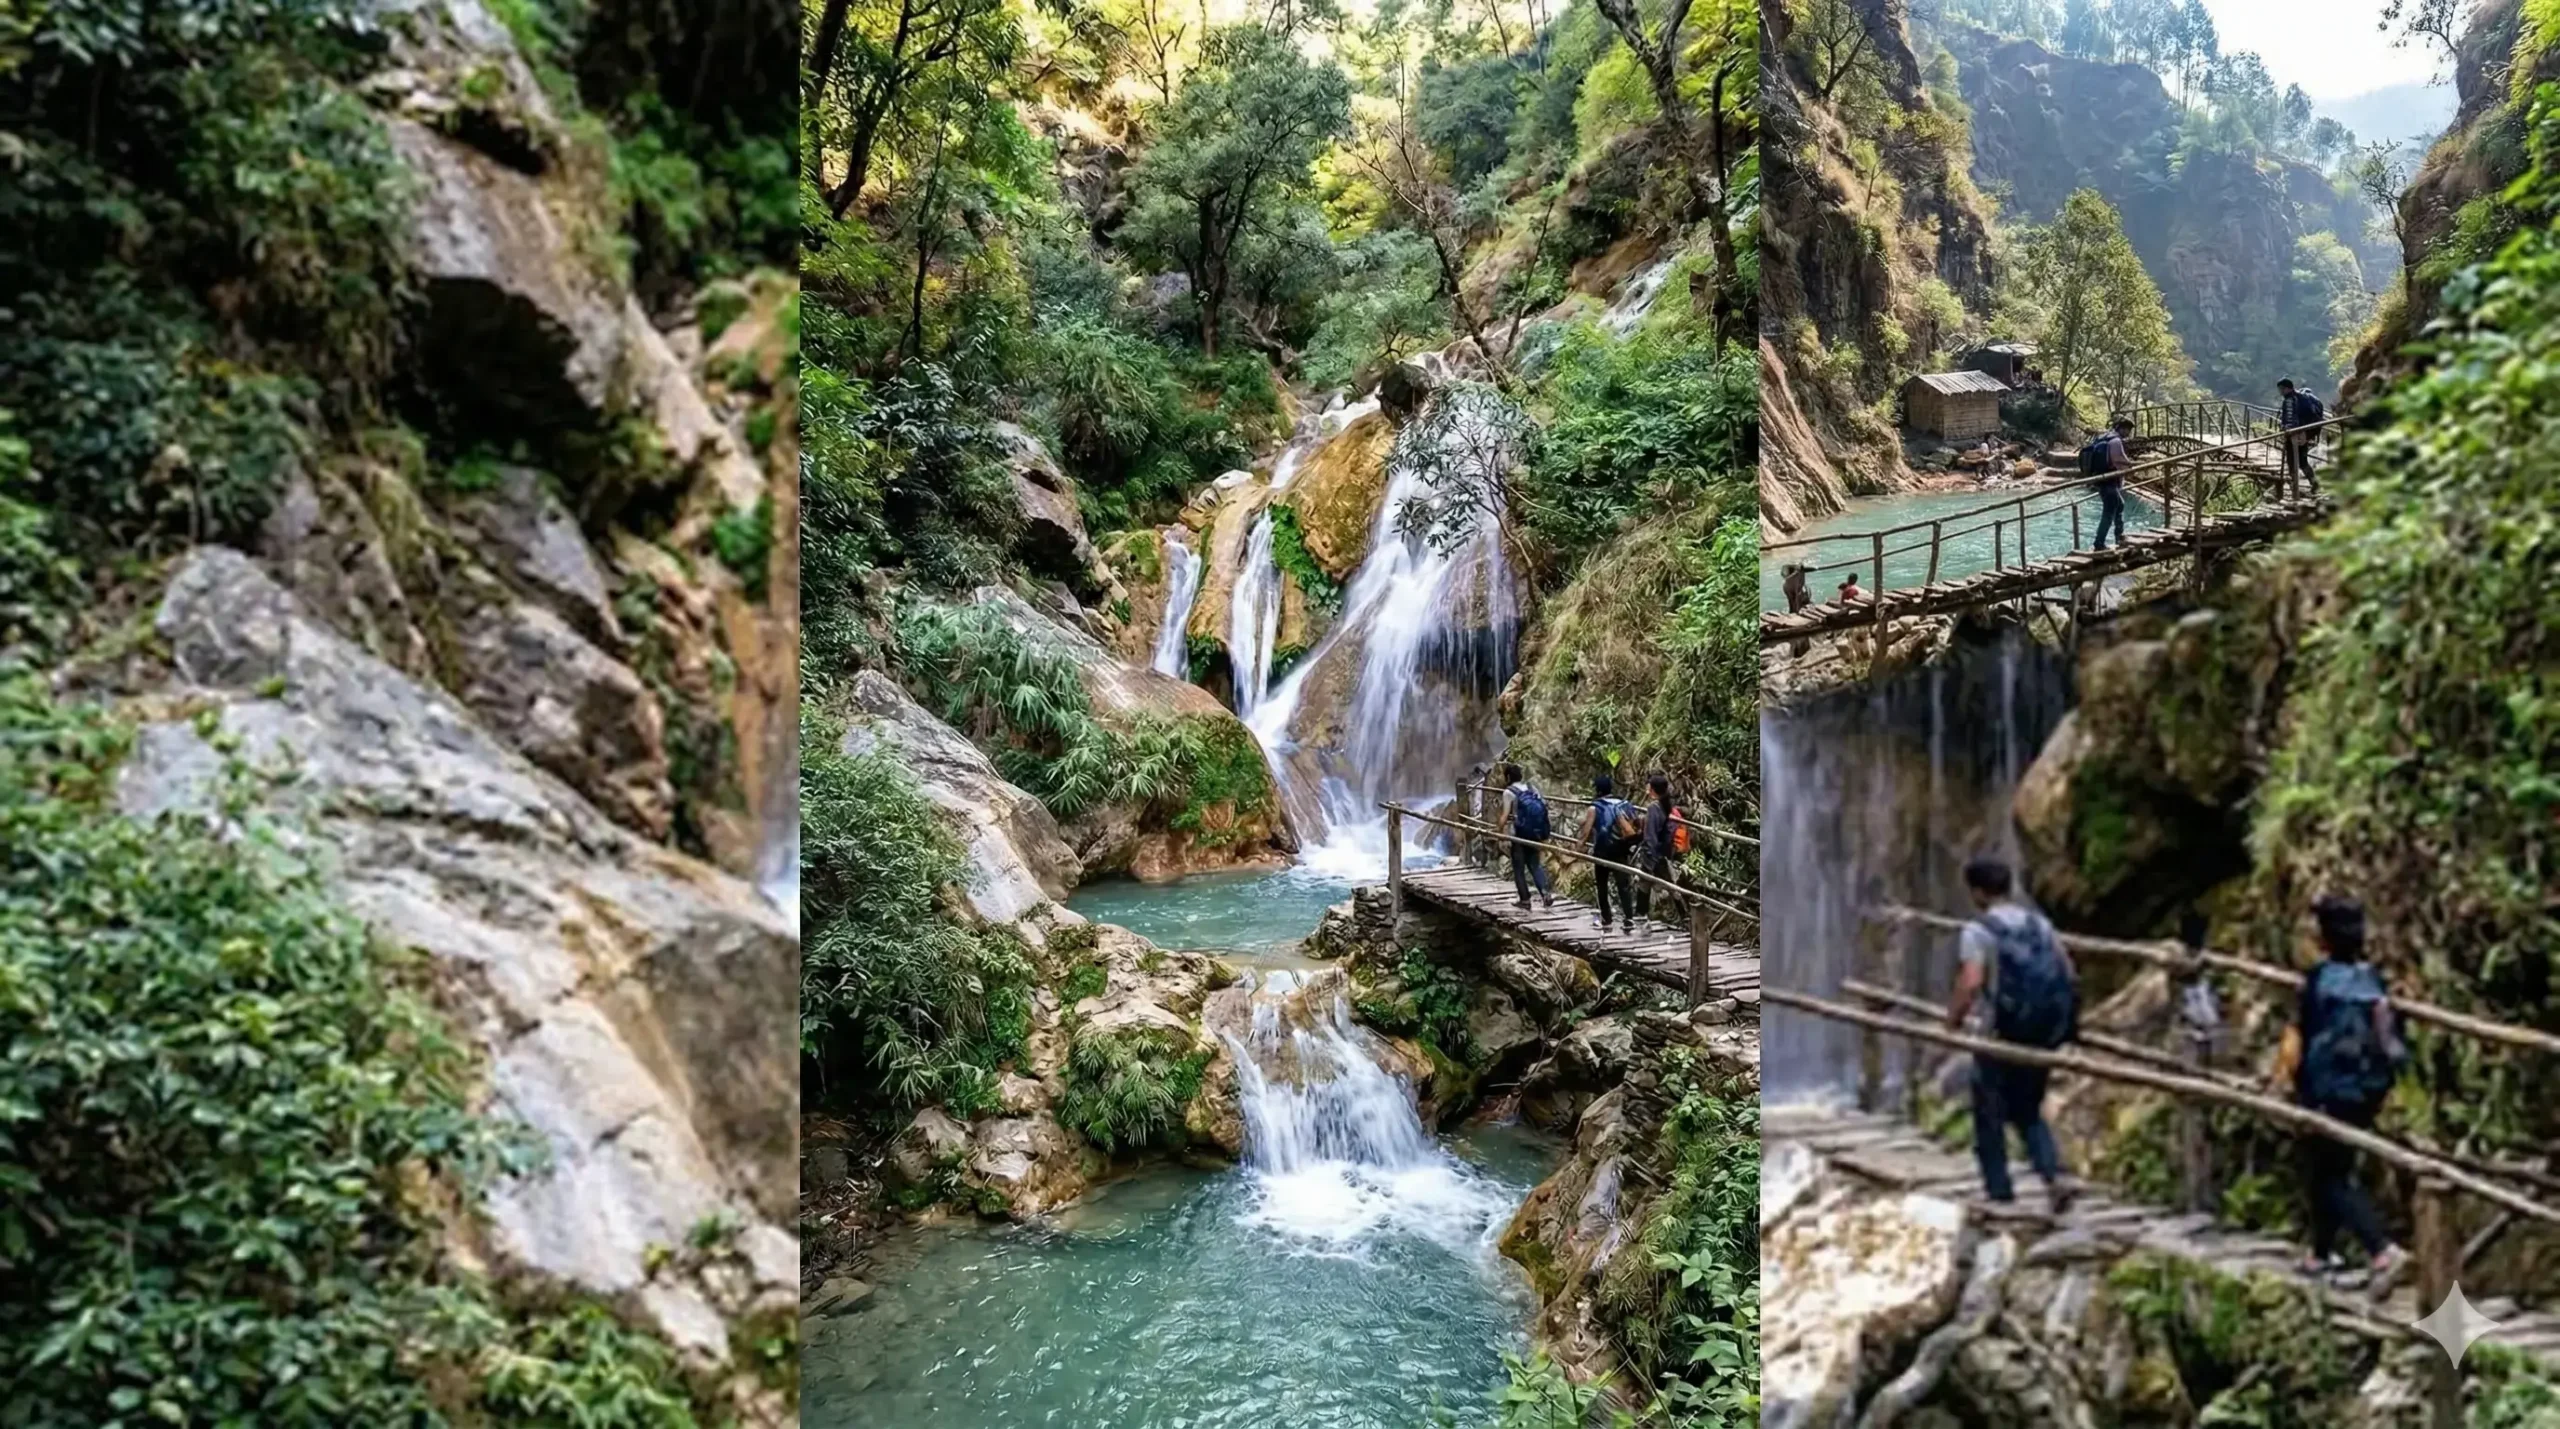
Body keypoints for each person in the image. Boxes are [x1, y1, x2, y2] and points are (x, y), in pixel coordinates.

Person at [2272, 894, 2409, 1284]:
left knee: (2331, 1174)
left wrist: (2283, 1083)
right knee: (2327, 1167)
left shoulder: (2319, 981)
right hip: (2367, 1090)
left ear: (2324, 938)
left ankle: (2382, 1250)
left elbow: (2300, 1039)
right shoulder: (2372, 979)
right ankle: (2320, 1253)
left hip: (2327, 1091)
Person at [1945, 857, 2078, 1213]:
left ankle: (1999, 1192)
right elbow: (2067, 971)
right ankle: (2053, 1175)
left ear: (1977, 892)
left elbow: (1971, 981)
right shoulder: (2040, 925)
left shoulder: (1977, 931)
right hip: (2041, 1033)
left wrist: (1952, 1020)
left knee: (1988, 1110)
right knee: (2029, 1108)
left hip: (1999, 1034)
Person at [1579, 773, 1640, 932]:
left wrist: (1578, 847)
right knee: (1623, 885)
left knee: (1602, 885)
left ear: (1598, 790)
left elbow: (1586, 831)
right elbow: (1635, 825)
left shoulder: (1595, 807)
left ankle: (1606, 918)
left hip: (1602, 851)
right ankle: (1629, 918)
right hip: (1621, 850)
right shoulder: (1624, 804)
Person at [1497, 762, 1555, 911]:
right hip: (1534, 833)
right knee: (1535, 865)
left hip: (1519, 835)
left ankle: (1525, 900)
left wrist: (1499, 832)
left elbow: (1504, 816)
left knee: (1518, 868)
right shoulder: (1531, 788)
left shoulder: (1509, 792)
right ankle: (1546, 894)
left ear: (1508, 777)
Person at [1631, 773, 1679, 924]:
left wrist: (1650, 855)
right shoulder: (1667, 805)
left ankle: (1683, 915)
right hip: (1662, 851)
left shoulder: (1653, 807)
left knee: (1667, 885)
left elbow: (1650, 834)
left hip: (1653, 854)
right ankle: (1641, 914)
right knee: (1646, 882)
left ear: (1652, 789)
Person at [2081, 417, 2133, 551]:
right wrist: (2131, 465)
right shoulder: (2116, 441)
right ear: (2122, 429)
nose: (2128, 433)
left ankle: (2119, 536)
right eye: (2128, 430)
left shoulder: (2104, 437)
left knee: (2119, 504)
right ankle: (2099, 543)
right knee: (2109, 511)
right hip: (2109, 479)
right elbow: (2118, 459)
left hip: (2100, 478)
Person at [2276, 378, 2325, 496]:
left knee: (2291, 461)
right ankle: (2314, 483)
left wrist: (2285, 428)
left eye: (2281, 389)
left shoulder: (2290, 400)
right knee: (2303, 462)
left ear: (2286, 388)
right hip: (2303, 434)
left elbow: (2290, 420)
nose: (2280, 392)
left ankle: (2295, 488)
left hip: (2294, 435)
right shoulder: (2301, 398)